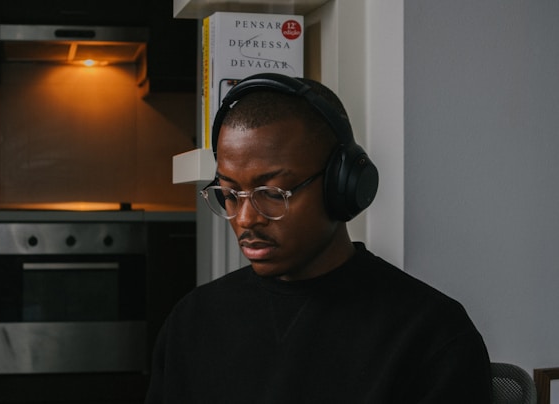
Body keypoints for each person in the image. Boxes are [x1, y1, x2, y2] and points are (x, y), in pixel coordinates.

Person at [144, 73, 492, 403]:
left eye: (273, 192)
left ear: (341, 186)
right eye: (230, 194)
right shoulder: (193, 322)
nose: (246, 218)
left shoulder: (431, 334)